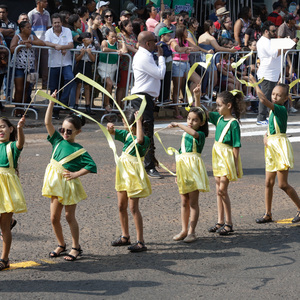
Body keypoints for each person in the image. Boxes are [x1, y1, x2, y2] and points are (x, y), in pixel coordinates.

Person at [42, 91, 97, 261]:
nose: (65, 133)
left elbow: (91, 166)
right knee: (53, 218)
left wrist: (75, 174)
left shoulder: (79, 150)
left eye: (69, 131)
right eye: (63, 130)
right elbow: (47, 122)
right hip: (55, 183)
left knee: (69, 217)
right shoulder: (57, 140)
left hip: (68, 184)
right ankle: (61, 244)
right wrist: (52, 102)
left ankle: (76, 247)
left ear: (77, 132)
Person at [250, 75, 300, 224]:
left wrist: (255, 84)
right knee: (268, 182)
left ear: (285, 99)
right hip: (271, 147)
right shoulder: (274, 111)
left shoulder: (279, 109)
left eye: (278, 95)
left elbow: (263, 101)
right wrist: (266, 135)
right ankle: (268, 213)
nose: (275, 97)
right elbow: (272, 127)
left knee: (282, 184)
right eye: (273, 94)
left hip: (280, 147)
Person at [199, 90, 244, 235]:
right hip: (217, 157)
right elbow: (201, 112)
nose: (216, 108)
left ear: (229, 105)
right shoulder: (218, 119)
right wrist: (196, 96)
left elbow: (236, 146)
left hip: (227, 158)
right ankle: (220, 221)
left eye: (219, 105)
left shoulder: (233, 123)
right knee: (218, 191)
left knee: (222, 191)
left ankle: (229, 223)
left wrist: (235, 165)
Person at [169, 87, 210, 243]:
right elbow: (179, 153)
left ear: (201, 123)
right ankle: (184, 229)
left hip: (193, 168)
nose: (190, 122)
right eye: (188, 119)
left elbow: (193, 132)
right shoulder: (186, 133)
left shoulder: (200, 135)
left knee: (193, 202)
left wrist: (179, 125)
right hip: (183, 168)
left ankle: (192, 232)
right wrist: (177, 172)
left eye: (195, 120)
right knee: (184, 201)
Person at [107, 109, 151, 252]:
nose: (123, 125)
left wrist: (138, 121)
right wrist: (110, 129)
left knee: (133, 208)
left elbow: (139, 140)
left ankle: (140, 241)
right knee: (121, 205)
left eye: (125, 122)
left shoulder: (145, 139)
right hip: (123, 173)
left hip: (133, 175)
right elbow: (112, 133)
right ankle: (125, 236)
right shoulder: (126, 135)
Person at [131, 31, 166, 179]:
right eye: (154, 41)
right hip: (142, 98)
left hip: (146, 98)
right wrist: (161, 57)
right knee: (146, 132)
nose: (156, 44)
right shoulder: (143, 57)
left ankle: (145, 162)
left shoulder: (145, 55)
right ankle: (148, 166)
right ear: (147, 43)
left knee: (144, 131)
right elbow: (160, 74)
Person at [0, 116, 27, 271]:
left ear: (10, 129)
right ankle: (10, 222)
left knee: (4, 228)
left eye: (3, 126)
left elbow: (20, 143)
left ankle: (4, 259)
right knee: (3, 225)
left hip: (7, 190)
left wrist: (20, 128)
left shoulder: (12, 147)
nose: (0, 130)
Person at [10, 21, 45, 117]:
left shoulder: (32, 37)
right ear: (22, 28)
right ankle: (18, 110)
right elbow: (12, 49)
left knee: (27, 89)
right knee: (19, 89)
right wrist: (20, 45)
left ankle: (23, 110)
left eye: (30, 27)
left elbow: (42, 43)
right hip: (19, 67)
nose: (30, 29)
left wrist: (30, 42)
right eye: (28, 27)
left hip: (30, 67)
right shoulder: (17, 37)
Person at [44, 13, 75, 120]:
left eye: (58, 22)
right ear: (52, 23)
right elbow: (46, 42)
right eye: (55, 23)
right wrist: (56, 46)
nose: (57, 24)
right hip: (53, 64)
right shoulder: (48, 32)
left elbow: (71, 44)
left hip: (66, 63)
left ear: (61, 22)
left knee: (70, 78)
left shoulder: (67, 31)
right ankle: (55, 111)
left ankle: (63, 101)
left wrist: (63, 46)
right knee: (54, 88)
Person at [170, 26, 202, 119]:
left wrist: (189, 49)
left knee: (198, 80)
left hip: (186, 64)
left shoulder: (187, 41)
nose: (187, 33)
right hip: (177, 64)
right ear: (181, 32)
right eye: (185, 31)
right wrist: (186, 49)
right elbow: (178, 49)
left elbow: (196, 48)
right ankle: (176, 111)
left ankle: (188, 99)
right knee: (177, 87)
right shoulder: (174, 40)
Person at [256, 21, 281, 125]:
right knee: (265, 96)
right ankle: (261, 118)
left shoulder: (269, 41)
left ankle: (265, 116)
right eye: (273, 31)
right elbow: (274, 54)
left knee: (269, 96)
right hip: (267, 74)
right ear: (266, 31)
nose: (275, 33)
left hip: (272, 73)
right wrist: (284, 47)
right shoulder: (264, 42)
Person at [99, 27, 126, 112]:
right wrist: (116, 51)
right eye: (112, 37)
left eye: (115, 37)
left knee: (110, 87)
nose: (114, 39)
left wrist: (122, 40)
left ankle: (107, 105)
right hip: (104, 66)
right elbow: (104, 49)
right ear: (107, 36)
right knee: (109, 84)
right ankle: (106, 104)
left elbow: (124, 51)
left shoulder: (117, 44)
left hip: (113, 67)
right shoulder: (105, 42)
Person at [28, 0, 51, 89]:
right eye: (44, 1)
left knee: (45, 65)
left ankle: (45, 84)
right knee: (33, 65)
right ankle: (32, 84)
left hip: (44, 43)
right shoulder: (31, 13)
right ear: (38, 2)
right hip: (34, 43)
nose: (47, 3)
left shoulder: (47, 13)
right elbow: (28, 28)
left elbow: (48, 28)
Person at [116, 19, 137, 106]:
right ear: (124, 27)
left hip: (131, 65)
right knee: (121, 86)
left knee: (126, 87)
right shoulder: (119, 36)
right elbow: (124, 47)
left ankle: (123, 105)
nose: (131, 28)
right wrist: (135, 50)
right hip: (123, 65)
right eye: (130, 26)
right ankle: (118, 106)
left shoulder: (132, 36)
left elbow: (135, 44)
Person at [74, 31, 96, 115]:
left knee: (87, 85)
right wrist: (82, 53)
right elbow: (77, 59)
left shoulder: (92, 47)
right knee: (79, 84)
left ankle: (87, 105)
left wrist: (90, 53)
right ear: (83, 40)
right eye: (88, 38)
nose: (90, 39)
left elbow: (93, 59)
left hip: (88, 65)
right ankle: (76, 104)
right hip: (80, 64)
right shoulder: (79, 47)